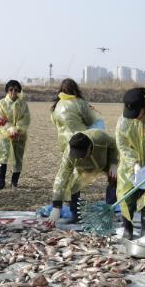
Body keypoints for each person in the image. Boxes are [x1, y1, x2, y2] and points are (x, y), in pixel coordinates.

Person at [49, 79, 101, 221]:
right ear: (75, 89)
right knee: (76, 178)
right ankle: (74, 212)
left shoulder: (57, 105)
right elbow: (90, 121)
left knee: (66, 174)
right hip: (80, 144)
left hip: (65, 145)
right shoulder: (80, 103)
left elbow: (55, 122)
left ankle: (60, 205)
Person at [47, 129, 119, 228]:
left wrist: (114, 163)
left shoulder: (100, 137)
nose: (79, 158)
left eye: (81, 155)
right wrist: (57, 206)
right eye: (76, 155)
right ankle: (75, 215)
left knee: (115, 179)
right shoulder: (69, 155)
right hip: (82, 168)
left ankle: (109, 212)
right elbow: (62, 176)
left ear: (89, 147)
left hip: (105, 162)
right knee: (72, 184)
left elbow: (114, 145)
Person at [116, 88, 145, 239]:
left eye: (137, 114)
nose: (134, 118)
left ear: (144, 107)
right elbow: (122, 145)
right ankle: (127, 228)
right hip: (130, 167)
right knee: (125, 194)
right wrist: (134, 163)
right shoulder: (124, 121)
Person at [0, 80, 30, 189]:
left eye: (16, 90)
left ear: (19, 91)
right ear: (7, 90)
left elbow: (25, 119)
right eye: (11, 89)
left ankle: (14, 182)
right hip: (4, 135)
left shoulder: (23, 104)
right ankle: (0, 183)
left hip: (19, 136)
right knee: (2, 157)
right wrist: (10, 129)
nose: (13, 92)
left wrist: (17, 129)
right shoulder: (1, 103)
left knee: (18, 159)